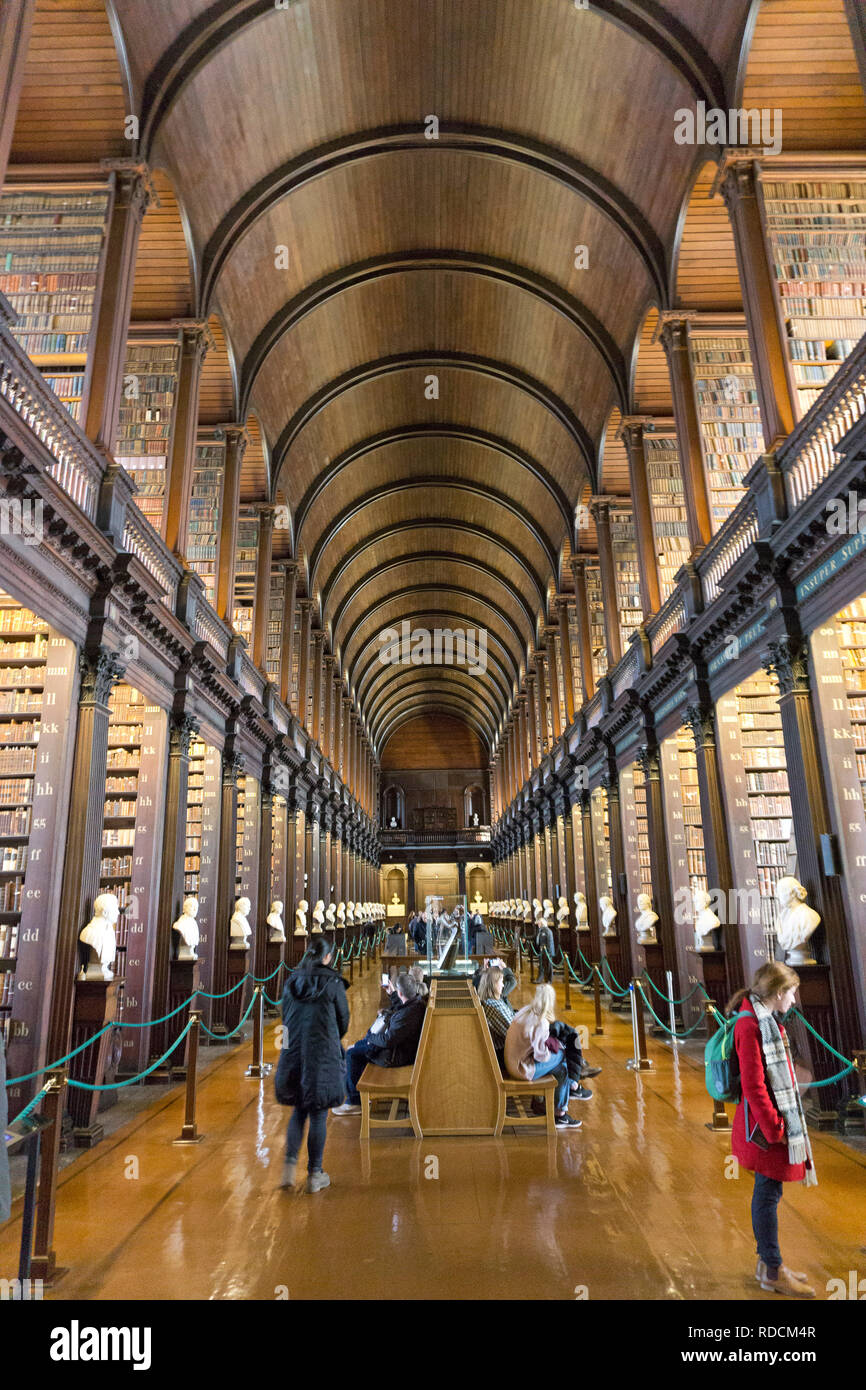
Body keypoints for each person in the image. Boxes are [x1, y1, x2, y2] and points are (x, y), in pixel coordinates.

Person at [726, 961, 817, 1297]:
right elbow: (753, 1083)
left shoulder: (761, 1017)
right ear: (778, 993)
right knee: (767, 1195)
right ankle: (773, 1269)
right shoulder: (751, 1024)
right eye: (791, 994)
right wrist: (775, 1128)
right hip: (764, 1128)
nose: (793, 1001)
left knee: (768, 1193)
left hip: (766, 1123)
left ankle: (768, 1264)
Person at [274, 935, 349, 1194]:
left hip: (294, 1051)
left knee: (299, 1109)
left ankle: (288, 1167)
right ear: (327, 957)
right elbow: (343, 1021)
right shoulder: (333, 982)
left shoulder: (292, 981)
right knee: (318, 1112)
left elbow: (285, 1016)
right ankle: (315, 1174)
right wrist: (329, 1036)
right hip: (322, 1053)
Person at [334, 972, 427, 1114]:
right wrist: (393, 994)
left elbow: (388, 1040)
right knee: (357, 1046)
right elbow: (403, 1007)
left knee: (352, 1054)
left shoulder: (408, 1015)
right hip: (401, 1049)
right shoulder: (416, 1003)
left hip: (396, 1056)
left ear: (401, 992)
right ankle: (357, 1094)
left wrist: (371, 1038)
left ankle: (355, 1102)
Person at [504, 983, 580, 1129]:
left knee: (560, 1065)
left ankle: (557, 1102)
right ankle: (561, 1111)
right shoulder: (541, 1022)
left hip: (512, 1062)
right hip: (522, 1069)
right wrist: (554, 1048)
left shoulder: (525, 1011)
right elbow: (541, 1056)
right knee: (562, 1058)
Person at [535, 914, 555, 984]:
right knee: (541, 965)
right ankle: (540, 978)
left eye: (539, 923)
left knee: (549, 966)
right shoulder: (540, 930)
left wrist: (548, 952)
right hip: (542, 951)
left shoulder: (547, 931)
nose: (538, 924)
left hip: (547, 951)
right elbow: (536, 938)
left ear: (542, 923)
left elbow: (549, 942)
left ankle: (549, 980)